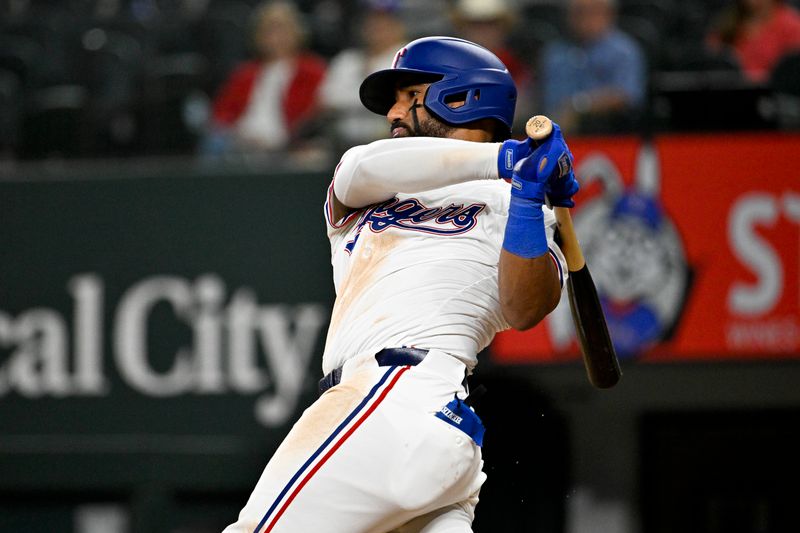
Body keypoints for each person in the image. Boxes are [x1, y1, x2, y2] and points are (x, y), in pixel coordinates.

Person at [223, 36, 579, 533]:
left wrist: (524, 197)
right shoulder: (375, 183)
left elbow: (524, 308)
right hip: (413, 427)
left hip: (398, 396)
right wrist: (508, 159)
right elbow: (358, 169)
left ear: (459, 98)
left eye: (405, 95)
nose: (390, 112)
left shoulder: (518, 208)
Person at [201, 1, 326, 156]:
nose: (275, 37)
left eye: (281, 29)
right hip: (240, 143)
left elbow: (313, 113)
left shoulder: (311, 70)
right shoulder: (245, 73)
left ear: (296, 32)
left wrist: (285, 138)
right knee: (214, 141)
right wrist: (238, 133)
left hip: (287, 142)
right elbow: (221, 113)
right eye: (268, 30)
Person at [539, 0, 646, 135]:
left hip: (608, 133)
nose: (584, 19)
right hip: (554, 131)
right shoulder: (555, 53)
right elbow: (544, 98)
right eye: (578, 12)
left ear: (609, 14)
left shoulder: (624, 51)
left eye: (592, 12)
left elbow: (627, 96)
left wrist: (579, 106)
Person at [318, 0, 407, 150]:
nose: (377, 27)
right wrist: (373, 101)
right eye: (371, 21)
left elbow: (402, 103)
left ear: (399, 26)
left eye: (384, 22)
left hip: (392, 143)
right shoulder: (346, 60)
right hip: (342, 144)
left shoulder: (407, 59)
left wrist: (349, 101)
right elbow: (326, 101)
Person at [450, 0, 535, 131]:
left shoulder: (515, 67)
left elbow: (520, 113)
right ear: (463, 28)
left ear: (503, 28)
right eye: (476, 24)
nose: (483, 31)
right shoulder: (448, 65)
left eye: (490, 24)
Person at [706, 0, 800, 83]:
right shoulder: (728, 22)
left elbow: (792, 71)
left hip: (773, 95)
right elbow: (712, 55)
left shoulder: (792, 25)